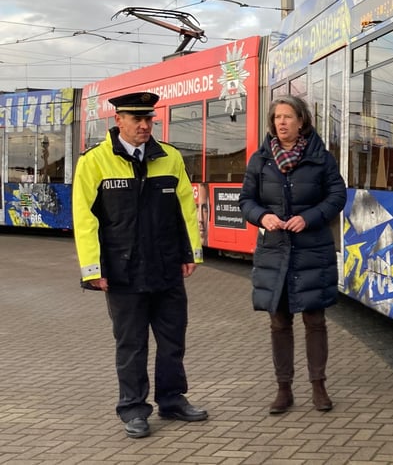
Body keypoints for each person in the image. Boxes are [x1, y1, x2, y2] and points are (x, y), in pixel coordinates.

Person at [72, 91, 207, 439]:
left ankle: (172, 400)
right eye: (137, 119)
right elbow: (84, 219)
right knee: (131, 345)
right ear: (119, 121)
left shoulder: (170, 157)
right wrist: (92, 269)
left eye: (149, 119)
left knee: (173, 340)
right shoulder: (94, 161)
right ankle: (133, 409)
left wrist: (190, 253)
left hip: (166, 269)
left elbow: (185, 209)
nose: (145, 125)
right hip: (122, 272)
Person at [239, 95, 347, 414]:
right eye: (277, 117)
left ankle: (319, 387)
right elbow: (246, 200)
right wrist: (262, 216)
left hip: (312, 251)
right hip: (275, 253)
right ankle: (283, 390)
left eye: (287, 116)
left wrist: (309, 217)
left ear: (302, 121)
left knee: (315, 320)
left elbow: (337, 195)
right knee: (279, 322)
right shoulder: (260, 159)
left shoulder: (320, 158)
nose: (281, 122)